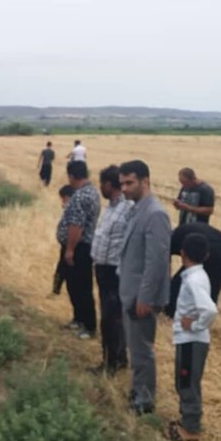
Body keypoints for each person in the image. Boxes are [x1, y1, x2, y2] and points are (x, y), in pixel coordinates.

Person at [118, 160, 171, 415]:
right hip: (131, 293)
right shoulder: (137, 208)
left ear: (145, 181)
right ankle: (137, 389)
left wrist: (145, 297)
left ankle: (145, 400)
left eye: (130, 183)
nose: (124, 189)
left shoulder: (155, 214)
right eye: (122, 184)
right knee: (135, 348)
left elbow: (156, 261)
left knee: (142, 350)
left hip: (142, 297)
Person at [167, 233, 218, 441]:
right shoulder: (196, 276)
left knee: (188, 383)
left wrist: (195, 325)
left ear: (182, 253)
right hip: (188, 340)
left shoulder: (194, 280)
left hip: (192, 340)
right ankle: (186, 418)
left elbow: (210, 309)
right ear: (206, 255)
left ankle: (191, 428)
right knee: (184, 381)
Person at [89, 165, 133, 375]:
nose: (100, 189)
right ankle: (119, 357)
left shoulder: (127, 209)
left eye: (102, 184)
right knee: (111, 318)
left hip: (114, 273)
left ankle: (110, 365)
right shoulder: (112, 207)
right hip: (103, 270)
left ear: (108, 184)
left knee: (110, 320)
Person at [57, 161, 100, 339]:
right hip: (80, 246)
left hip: (79, 248)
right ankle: (78, 319)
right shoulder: (92, 192)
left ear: (72, 176)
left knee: (81, 286)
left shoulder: (80, 196)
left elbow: (76, 226)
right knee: (74, 285)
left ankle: (88, 326)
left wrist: (70, 250)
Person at [165, 223, 221, 318]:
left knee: (178, 286)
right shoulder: (181, 232)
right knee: (213, 287)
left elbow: (164, 268)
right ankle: (205, 315)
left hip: (211, 248)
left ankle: (173, 311)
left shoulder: (169, 241)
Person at [52, 185, 75, 295]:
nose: (62, 201)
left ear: (68, 197)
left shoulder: (73, 208)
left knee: (63, 268)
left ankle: (56, 290)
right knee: (62, 268)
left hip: (69, 245)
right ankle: (56, 289)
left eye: (63, 198)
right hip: (66, 244)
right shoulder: (69, 207)